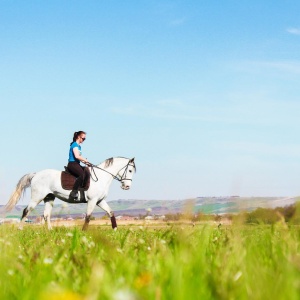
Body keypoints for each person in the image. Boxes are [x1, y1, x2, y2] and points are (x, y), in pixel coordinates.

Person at [67, 131, 90, 201]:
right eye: (83, 138)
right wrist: (85, 161)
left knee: (87, 172)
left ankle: (83, 192)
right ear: (78, 137)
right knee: (81, 175)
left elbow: (79, 157)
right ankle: (74, 192)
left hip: (77, 163)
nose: (84, 140)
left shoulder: (79, 146)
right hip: (72, 164)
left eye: (84, 139)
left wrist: (86, 162)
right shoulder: (74, 145)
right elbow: (77, 156)